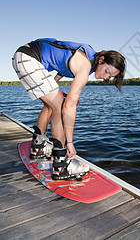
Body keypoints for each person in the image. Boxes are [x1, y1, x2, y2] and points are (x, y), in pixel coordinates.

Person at [12, 38, 125, 180]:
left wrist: (53, 85)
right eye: (107, 71)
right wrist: (70, 142)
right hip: (28, 59)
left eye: (110, 77)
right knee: (60, 105)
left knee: (51, 104)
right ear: (102, 60)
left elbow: (62, 65)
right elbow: (69, 105)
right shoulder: (84, 66)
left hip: (24, 56)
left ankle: (38, 146)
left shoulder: (88, 57)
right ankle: (60, 165)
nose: (105, 77)